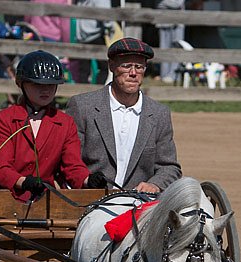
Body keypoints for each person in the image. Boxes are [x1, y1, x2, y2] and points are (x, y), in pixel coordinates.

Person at [0, 50, 105, 231]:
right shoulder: (4, 118)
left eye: (51, 84)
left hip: (46, 197)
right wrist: (23, 182)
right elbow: (0, 167)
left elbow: (72, 166)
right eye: (37, 84)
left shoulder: (65, 123)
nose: (46, 89)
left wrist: (88, 180)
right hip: (8, 194)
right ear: (22, 84)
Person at [66, 37, 181, 194]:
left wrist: (154, 184)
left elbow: (169, 167)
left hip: (138, 204)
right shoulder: (82, 106)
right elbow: (69, 160)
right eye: (126, 66)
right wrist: (87, 181)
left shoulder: (159, 113)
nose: (133, 73)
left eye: (139, 67)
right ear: (112, 66)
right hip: (90, 201)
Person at [70, 0, 110, 85]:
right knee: (104, 67)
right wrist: (109, 26)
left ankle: (85, 94)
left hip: (81, 35)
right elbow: (105, 12)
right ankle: (98, 92)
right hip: (96, 33)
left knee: (83, 69)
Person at [155, 0, 186, 84]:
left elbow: (177, 4)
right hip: (163, 21)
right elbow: (158, 4)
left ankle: (173, 75)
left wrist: (163, 3)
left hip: (177, 22)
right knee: (164, 49)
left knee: (176, 49)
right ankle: (164, 75)